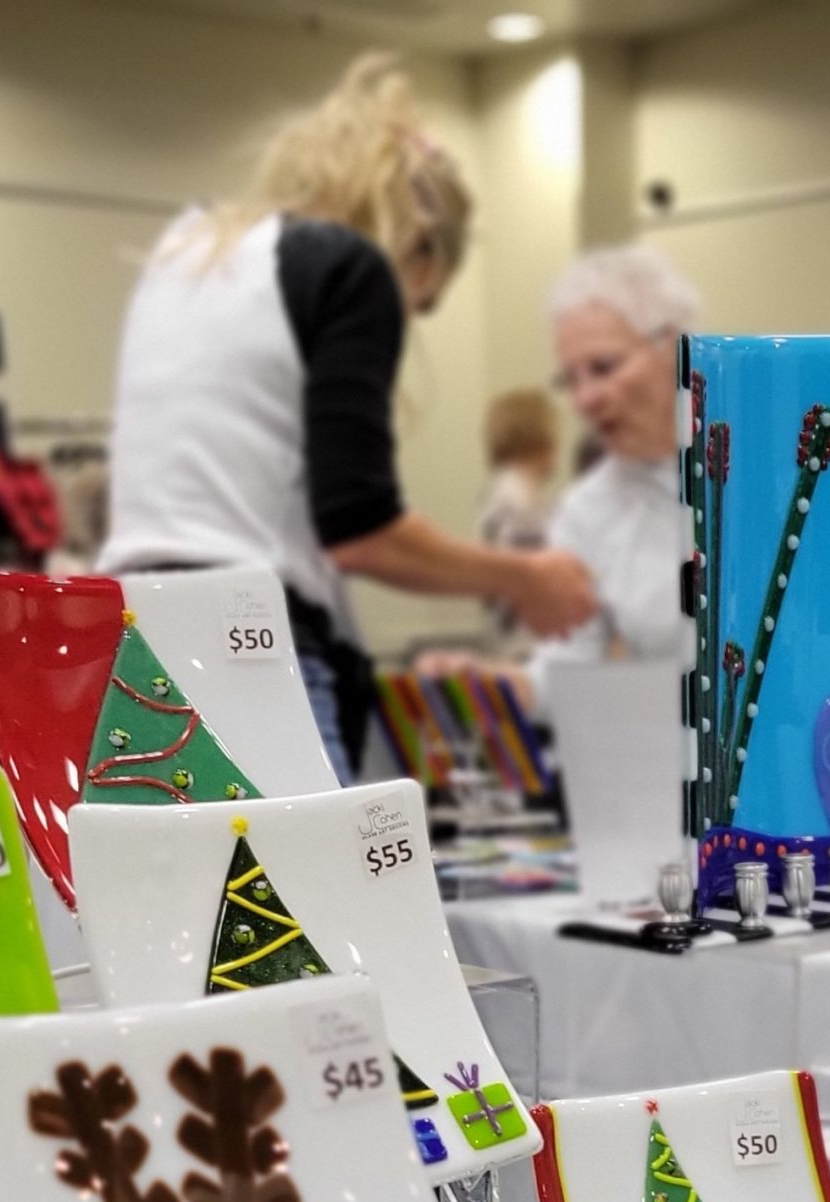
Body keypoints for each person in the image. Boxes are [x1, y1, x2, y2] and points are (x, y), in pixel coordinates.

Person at [101, 53, 598, 778]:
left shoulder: (187, 249)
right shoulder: (347, 265)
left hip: (128, 641)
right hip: (249, 650)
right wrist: (522, 578)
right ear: (417, 249)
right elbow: (362, 533)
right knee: (307, 858)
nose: (410, 319)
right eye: (423, 301)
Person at [541, 243, 701, 663]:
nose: (584, 399)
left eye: (603, 367)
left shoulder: (768, 462)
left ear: (671, 345)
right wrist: (491, 685)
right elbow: (567, 662)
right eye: (571, 380)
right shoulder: (586, 512)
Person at [477, 388, 561, 645]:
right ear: (542, 443)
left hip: (510, 626)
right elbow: (533, 568)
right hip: (525, 632)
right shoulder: (520, 499)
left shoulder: (503, 489)